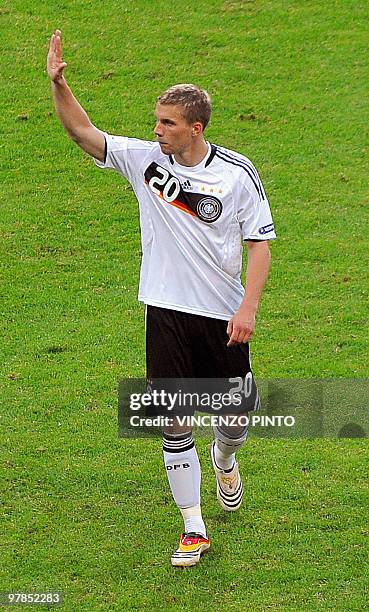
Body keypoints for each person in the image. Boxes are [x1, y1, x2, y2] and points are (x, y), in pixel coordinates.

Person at [47, 29, 276, 568]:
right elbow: (83, 133)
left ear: (196, 128)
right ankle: (192, 527)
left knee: (235, 421)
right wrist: (59, 84)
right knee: (174, 419)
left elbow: (259, 242)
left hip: (222, 316)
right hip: (166, 311)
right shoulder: (145, 161)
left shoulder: (237, 174)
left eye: (168, 124)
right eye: (156, 121)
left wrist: (248, 308)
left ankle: (224, 458)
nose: (157, 130)